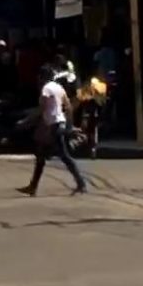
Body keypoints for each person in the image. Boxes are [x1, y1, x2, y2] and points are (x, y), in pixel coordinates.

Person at [18, 65, 87, 197]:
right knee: (43, 155)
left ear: (43, 77)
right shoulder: (58, 88)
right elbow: (68, 106)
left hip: (53, 126)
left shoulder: (46, 89)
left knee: (63, 156)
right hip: (58, 123)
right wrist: (68, 125)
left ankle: (81, 183)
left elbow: (42, 109)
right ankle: (33, 186)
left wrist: (26, 121)